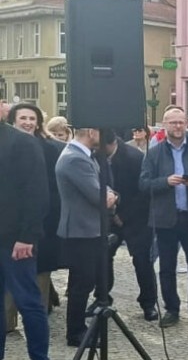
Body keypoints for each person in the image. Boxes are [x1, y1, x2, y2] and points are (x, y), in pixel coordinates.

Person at [140, 107, 188, 329]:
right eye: (173, 122)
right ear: (165, 125)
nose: (177, 126)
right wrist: (165, 182)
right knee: (167, 268)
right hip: (166, 219)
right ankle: (171, 309)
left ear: (187, 124)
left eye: (181, 122)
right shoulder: (153, 153)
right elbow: (143, 185)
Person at [0, 118, 54, 360]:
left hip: (15, 240)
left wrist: (28, 236)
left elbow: (37, 193)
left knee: (28, 303)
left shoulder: (22, 142)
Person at [56, 127, 119, 346]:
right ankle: (76, 332)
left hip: (87, 229)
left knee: (83, 282)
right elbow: (100, 196)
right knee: (81, 284)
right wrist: (110, 196)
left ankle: (77, 329)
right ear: (91, 132)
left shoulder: (82, 155)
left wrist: (109, 195)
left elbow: (104, 189)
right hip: (81, 230)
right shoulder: (76, 159)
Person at [6, 104, 64, 329]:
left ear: (39, 122)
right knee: (9, 274)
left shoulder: (50, 149)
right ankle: (8, 322)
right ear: (13, 120)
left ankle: (37, 322)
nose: (28, 122)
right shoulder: (6, 145)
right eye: (23, 118)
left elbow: (55, 188)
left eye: (32, 118)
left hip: (43, 222)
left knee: (40, 275)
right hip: (9, 225)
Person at [102, 129, 159, 321]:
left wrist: (123, 215)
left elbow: (144, 193)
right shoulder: (97, 155)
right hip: (109, 216)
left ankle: (148, 303)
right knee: (103, 257)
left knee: (142, 261)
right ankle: (103, 297)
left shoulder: (134, 158)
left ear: (111, 144)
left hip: (137, 218)